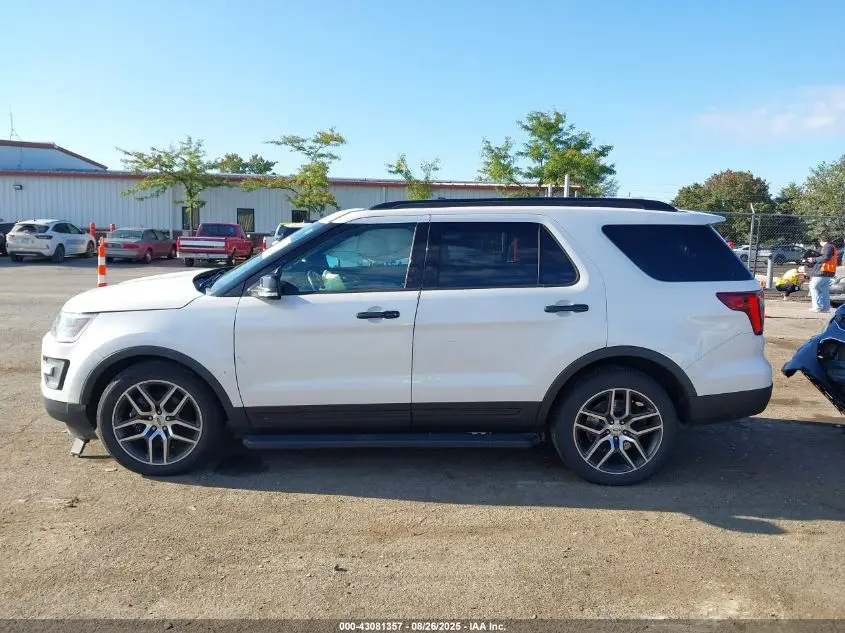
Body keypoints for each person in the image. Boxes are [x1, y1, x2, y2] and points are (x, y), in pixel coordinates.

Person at [805, 234, 838, 313]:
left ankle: (817, 307)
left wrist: (813, 259)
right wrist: (814, 260)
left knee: (813, 287)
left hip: (823, 271)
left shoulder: (828, 246)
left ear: (821, 241)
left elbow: (826, 257)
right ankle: (825, 308)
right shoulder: (830, 246)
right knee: (824, 289)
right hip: (828, 271)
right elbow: (825, 257)